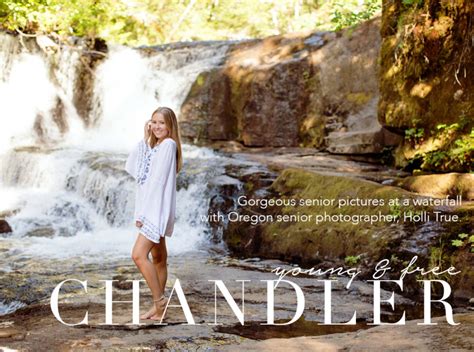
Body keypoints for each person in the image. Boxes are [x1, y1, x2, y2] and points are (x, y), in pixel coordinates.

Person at [125, 106, 183, 320]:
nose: (157, 126)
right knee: (159, 258)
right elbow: (136, 167)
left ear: (170, 127)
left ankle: (160, 303)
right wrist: (145, 136)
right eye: (154, 122)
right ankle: (158, 307)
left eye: (162, 123)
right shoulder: (156, 146)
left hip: (154, 210)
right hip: (154, 208)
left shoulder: (167, 145)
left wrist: (143, 214)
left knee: (138, 255)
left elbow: (157, 182)